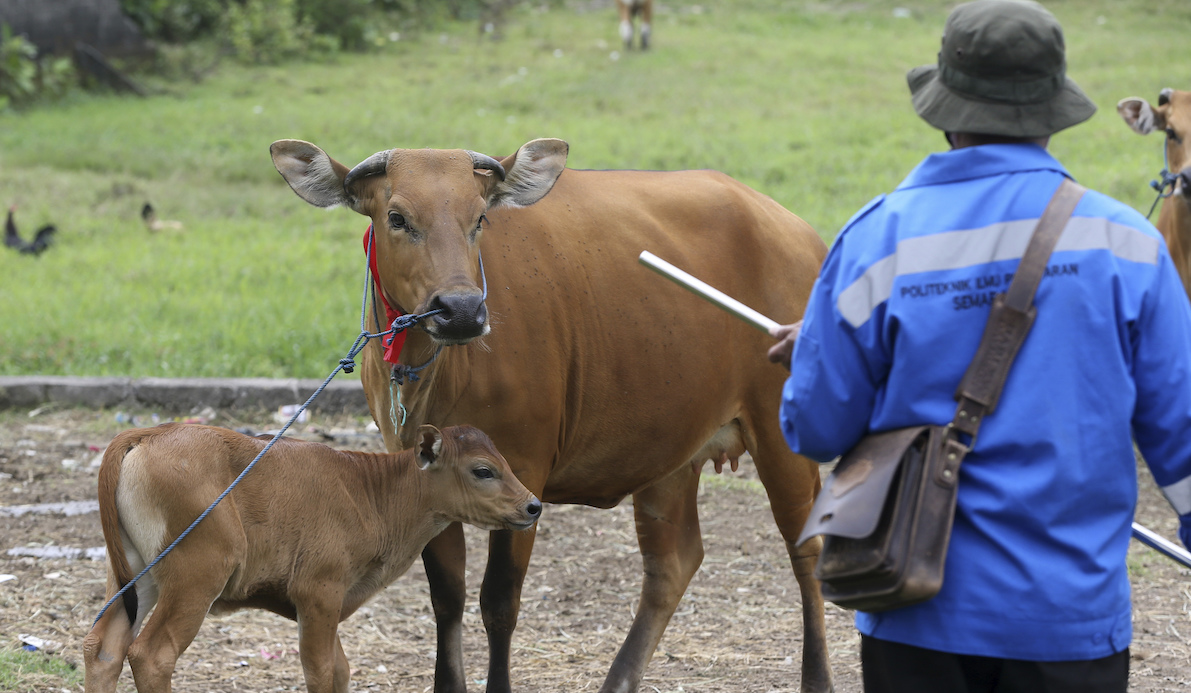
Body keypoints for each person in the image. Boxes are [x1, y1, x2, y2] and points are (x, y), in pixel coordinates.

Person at [768, 1, 1191, 691]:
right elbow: (1182, 437)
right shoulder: (1128, 245)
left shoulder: (878, 240)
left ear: (943, 110)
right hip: (1069, 624)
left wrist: (816, 355)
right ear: (1053, 111)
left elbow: (816, 429)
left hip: (913, 612)